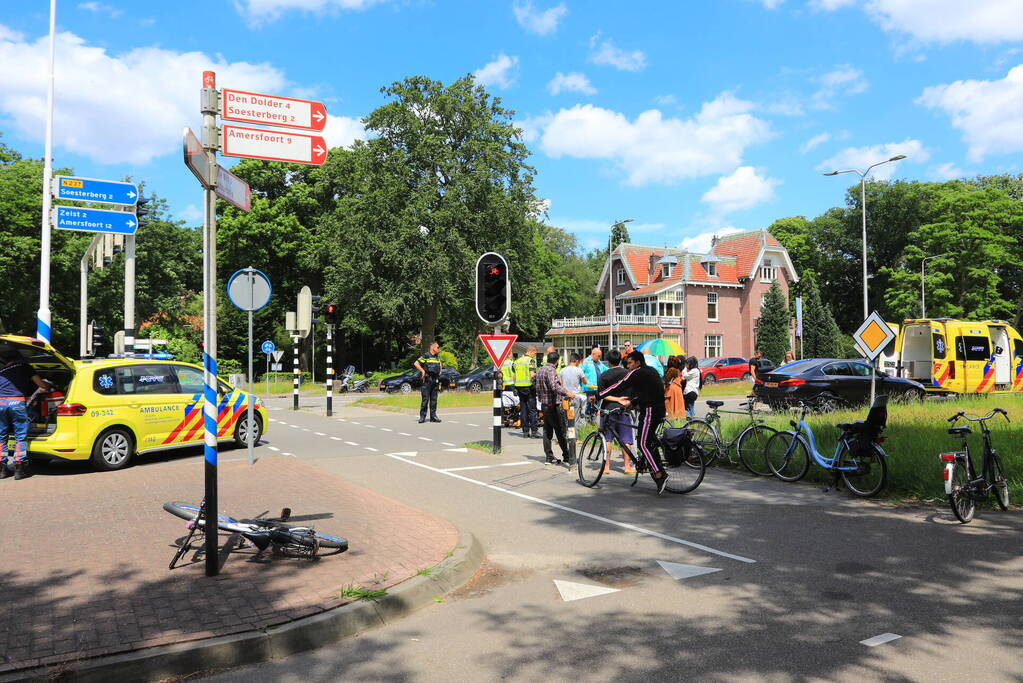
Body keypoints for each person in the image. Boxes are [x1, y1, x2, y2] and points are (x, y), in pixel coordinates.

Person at [599, 351, 670, 493]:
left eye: (630, 363)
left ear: (637, 362)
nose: (628, 366)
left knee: (643, 444)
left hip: (650, 411)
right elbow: (646, 392)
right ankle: (656, 471)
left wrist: (599, 395)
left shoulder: (637, 372)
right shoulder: (651, 371)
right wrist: (633, 403)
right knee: (649, 441)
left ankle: (660, 474)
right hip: (658, 409)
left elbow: (619, 385)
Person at [0, 350, 48, 480]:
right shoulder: (25, 367)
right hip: (17, 403)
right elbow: (42, 386)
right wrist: (33, 397)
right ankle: (19, 468)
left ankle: (2, 469)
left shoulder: (2, 371)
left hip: (1, 403)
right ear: (19, 359)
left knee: (1, 436)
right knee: (20, 436)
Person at [596, 349, 634, 474]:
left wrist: (615, 399)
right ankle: (627, 466)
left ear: (608, 361)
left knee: (608, 439)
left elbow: (601, 395)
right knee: (626, 439)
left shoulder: (604, 375)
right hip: (624, 410)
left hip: (608, 409)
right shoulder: (627, 374)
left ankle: (606, 467)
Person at [535, 351, 576, 465]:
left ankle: (549, 456)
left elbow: (535, 384)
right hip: (553, 405)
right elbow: (554, 386)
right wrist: (567, 392)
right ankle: (567, 456)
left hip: (544, 405)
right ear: (557, 361)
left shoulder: (541, 370)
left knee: (547, 431)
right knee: (560, 431)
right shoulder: (551, 370)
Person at [513, 346, 539, 438]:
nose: (535, 355)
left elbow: (514, 376)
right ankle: (534, 431)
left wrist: (514, 387)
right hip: (529, 387)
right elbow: (532, 375)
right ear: (531, 351)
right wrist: (537, 384)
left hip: (519, 387)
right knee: (532, 410)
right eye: (535, 353)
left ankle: (525, 432)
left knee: (523, 409)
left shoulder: (517, 361)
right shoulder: (530, 361)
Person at [414, 342, 443, 423]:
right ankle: (422, 417)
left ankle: (433, 416)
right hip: (427, 381)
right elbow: (416, 363)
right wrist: (422, 371)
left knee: (434, 400)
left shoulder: (437, 357)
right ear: (433, 348)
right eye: (437, 347)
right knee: (425, 400)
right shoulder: (426, 356)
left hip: (435, 381)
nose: (438, 349)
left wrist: (440, 370)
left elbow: (440, 364)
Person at [559, 353, 587, 428]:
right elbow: (585, 381)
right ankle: (574, 438)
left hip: (565, 397)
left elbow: (560, 384)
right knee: (575, 419)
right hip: (575, 397)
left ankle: (567, 436)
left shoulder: (562, 370)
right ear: (577, 361)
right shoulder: (579, 370)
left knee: (567, 419)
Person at [581, 345, 606, 418]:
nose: (599, 357)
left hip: (598, 387)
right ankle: (588, 419)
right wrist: (586, 383)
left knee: (597, 405)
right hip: (590, 388)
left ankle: (593, 419)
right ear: (593, 354)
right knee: (590, 404)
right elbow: (581, 373)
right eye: (598, 356)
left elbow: (605, 369)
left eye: (600, 356)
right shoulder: (586, 361)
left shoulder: (599, 362)